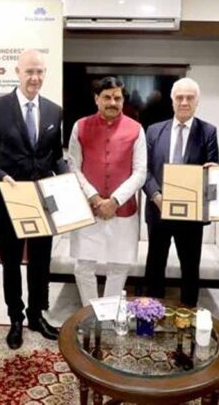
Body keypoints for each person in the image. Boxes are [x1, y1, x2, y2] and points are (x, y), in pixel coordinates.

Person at [0, 49, 66, 350]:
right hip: (8, 199)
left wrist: (68, 180)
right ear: (18, 72)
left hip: (42, 200)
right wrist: (2, 177)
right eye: (29, 71)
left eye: (40, 72)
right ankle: (15, 318)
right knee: (11, 263)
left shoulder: (54, 110)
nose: (35, 78)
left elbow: (55, 156)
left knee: (41, 262)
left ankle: (37, 315)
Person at [69, 76, 147, 306]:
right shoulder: (80, 126)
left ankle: (108, 314)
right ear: (97, 99)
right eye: (107, 97)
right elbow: (73, 165)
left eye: (117, 98)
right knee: (83, 266)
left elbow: (140, 172)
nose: (113, 102)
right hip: (87, 209)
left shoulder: (136, 129)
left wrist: (114, 201)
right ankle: (89, 314)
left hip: (123, 211)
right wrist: (94, 197)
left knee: (119, 266)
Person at [143, 78, 219, 307]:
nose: (184, 102)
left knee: (190, 268)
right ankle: (152, 313)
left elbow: (212, 171)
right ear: (172, 101)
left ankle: (188, 314)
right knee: (155, 265)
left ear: (197, 101)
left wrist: (213, 174)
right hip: (158, 210)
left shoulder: (208, 131)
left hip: (191, 216)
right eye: (179, 97)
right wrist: (156, 195)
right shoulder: (154, 130)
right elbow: (144, 170)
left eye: (189, 98)